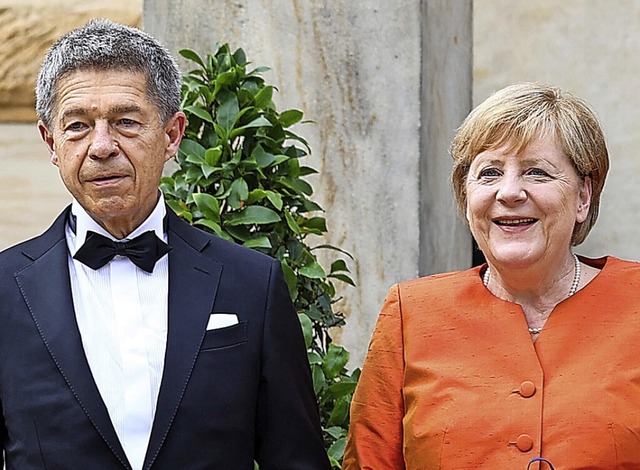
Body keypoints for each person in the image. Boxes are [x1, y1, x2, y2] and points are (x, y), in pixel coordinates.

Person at [0, 19, 329, 470]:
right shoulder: (2, 290)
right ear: (51, 141)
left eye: (125, 122)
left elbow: (295, 460)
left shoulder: (253, 283)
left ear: (172, 135)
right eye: (77, 125)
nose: (101, 146)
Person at [343, 82, 640, 469]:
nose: (510, 192)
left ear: (583, 196)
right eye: (489, 173)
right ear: (467, 196)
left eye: (537, 172)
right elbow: (370, 462)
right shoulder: (410, 314)